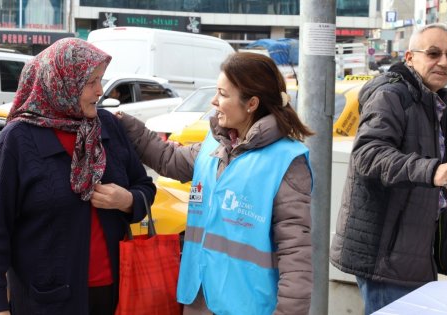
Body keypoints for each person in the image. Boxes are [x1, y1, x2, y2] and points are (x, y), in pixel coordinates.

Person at [117, 52, 313, 315]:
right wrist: (125, 125)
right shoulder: (216, 144)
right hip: (199, 297)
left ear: (251, 103)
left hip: (246, 305)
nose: (214, 101)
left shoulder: (286, 160)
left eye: (222, 93)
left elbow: (296, 254)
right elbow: (170, 159)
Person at [0, 38, 156, 315]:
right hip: (46, 301)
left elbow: (144, 186)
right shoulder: (17, 140)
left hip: (114, 295)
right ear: (61, 82)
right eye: (91, 82)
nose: (100, 91)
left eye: (101, 80)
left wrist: (127, 200)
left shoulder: (107, 127)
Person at [330, 23, 447, 315]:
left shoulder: (432, 99)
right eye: (433, 53)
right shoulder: (393, 94)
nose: (444, 62)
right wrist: (431, 171)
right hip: (387, 255)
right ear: (410, 57)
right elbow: (368, 155)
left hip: (409, 253)